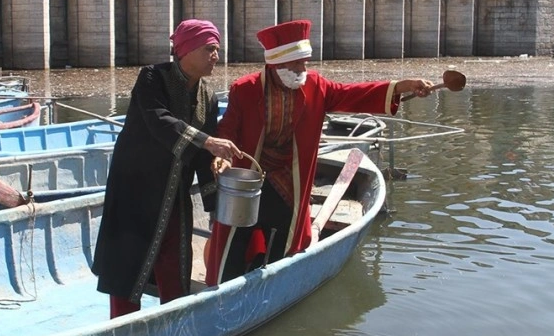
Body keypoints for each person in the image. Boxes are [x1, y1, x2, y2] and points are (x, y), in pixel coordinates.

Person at [204, 19, 434, 285]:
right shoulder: (245, 89)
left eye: (306, 61)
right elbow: (228, 129)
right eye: (299, 62)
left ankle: (274, 282)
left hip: (290, 181)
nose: (304, 68)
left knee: (283, 238)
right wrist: (221, 155)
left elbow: (353, 94)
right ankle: (222, 287)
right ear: (279, 63)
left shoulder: (316, 85)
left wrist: (402, 86)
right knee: (235, 237)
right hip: (250, 180)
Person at [91, 19, 242, 318]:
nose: (216, 55)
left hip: (175, 194)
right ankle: (122, 327)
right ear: (186, 50)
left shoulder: (208, 96)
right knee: (128, 264)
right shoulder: (152, 78)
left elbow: (201, 155)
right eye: (210, 48)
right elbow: (158, 120)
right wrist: (207, 140)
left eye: (217, 49)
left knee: (175, 261)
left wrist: (216, 202)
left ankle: (173, 321)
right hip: (135, 190)